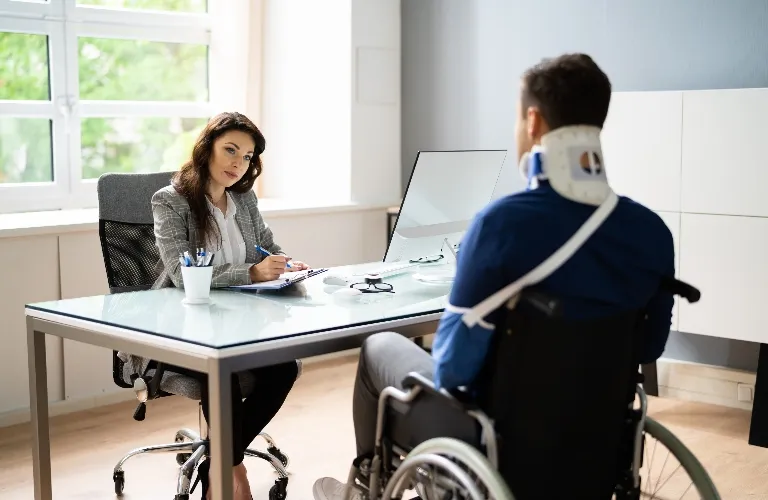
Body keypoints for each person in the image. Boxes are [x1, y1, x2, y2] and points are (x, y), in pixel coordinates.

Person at [312, 53, 676, 500]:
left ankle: (364, 488)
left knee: (379, 346)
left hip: (500, 436)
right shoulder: (650, 231)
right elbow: (649, 346)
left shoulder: (503, 225)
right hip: (598, 431)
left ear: (533, 120)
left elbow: (452, 370)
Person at [152, 112, 307, 500]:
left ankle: (219, 462)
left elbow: (268, 244)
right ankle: (230, 472)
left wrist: (284, 262)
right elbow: (177, 271)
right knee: (222, 373)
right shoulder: (171, 201)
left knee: (283, 367)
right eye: (231, 150)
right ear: (207, 148)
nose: (238, 164)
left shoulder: (244, 198)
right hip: (185, 328)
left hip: (243, 322)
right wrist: (251, 273)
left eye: (248, 156)